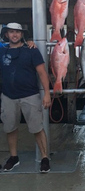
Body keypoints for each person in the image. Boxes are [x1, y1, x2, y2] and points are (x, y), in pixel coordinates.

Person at [0, 23, 51, 173]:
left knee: (37, 128)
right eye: (11, 32)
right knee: (10, 128)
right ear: (6, 34)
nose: (14, 35)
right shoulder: (1, 50)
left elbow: (42, 73)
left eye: (17, 32)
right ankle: (14, 157)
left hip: (30, 95)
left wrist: (47, 93)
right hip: (8, 96)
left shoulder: (31, 50)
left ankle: (44, 158)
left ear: (22, 34)